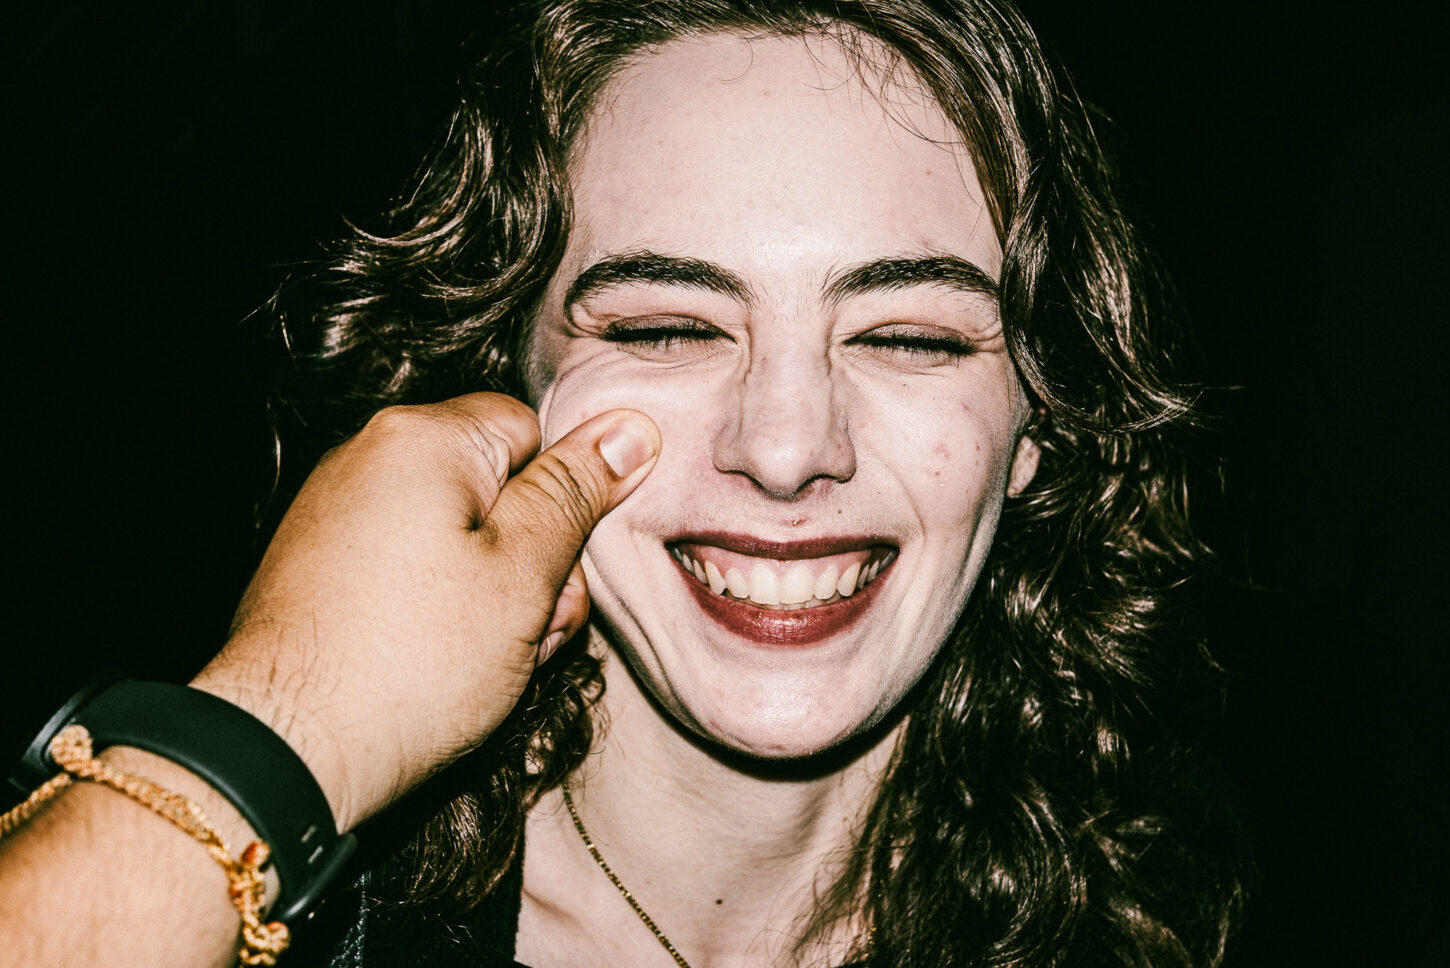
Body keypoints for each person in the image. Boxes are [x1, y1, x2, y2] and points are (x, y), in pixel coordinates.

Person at [0, 1, 1245, 966]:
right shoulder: (309, 924)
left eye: (911, 336)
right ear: (509, 388)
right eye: (666, 327)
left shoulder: (1168, 922)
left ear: (1038, 420)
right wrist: (287, 726)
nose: (787, 444)